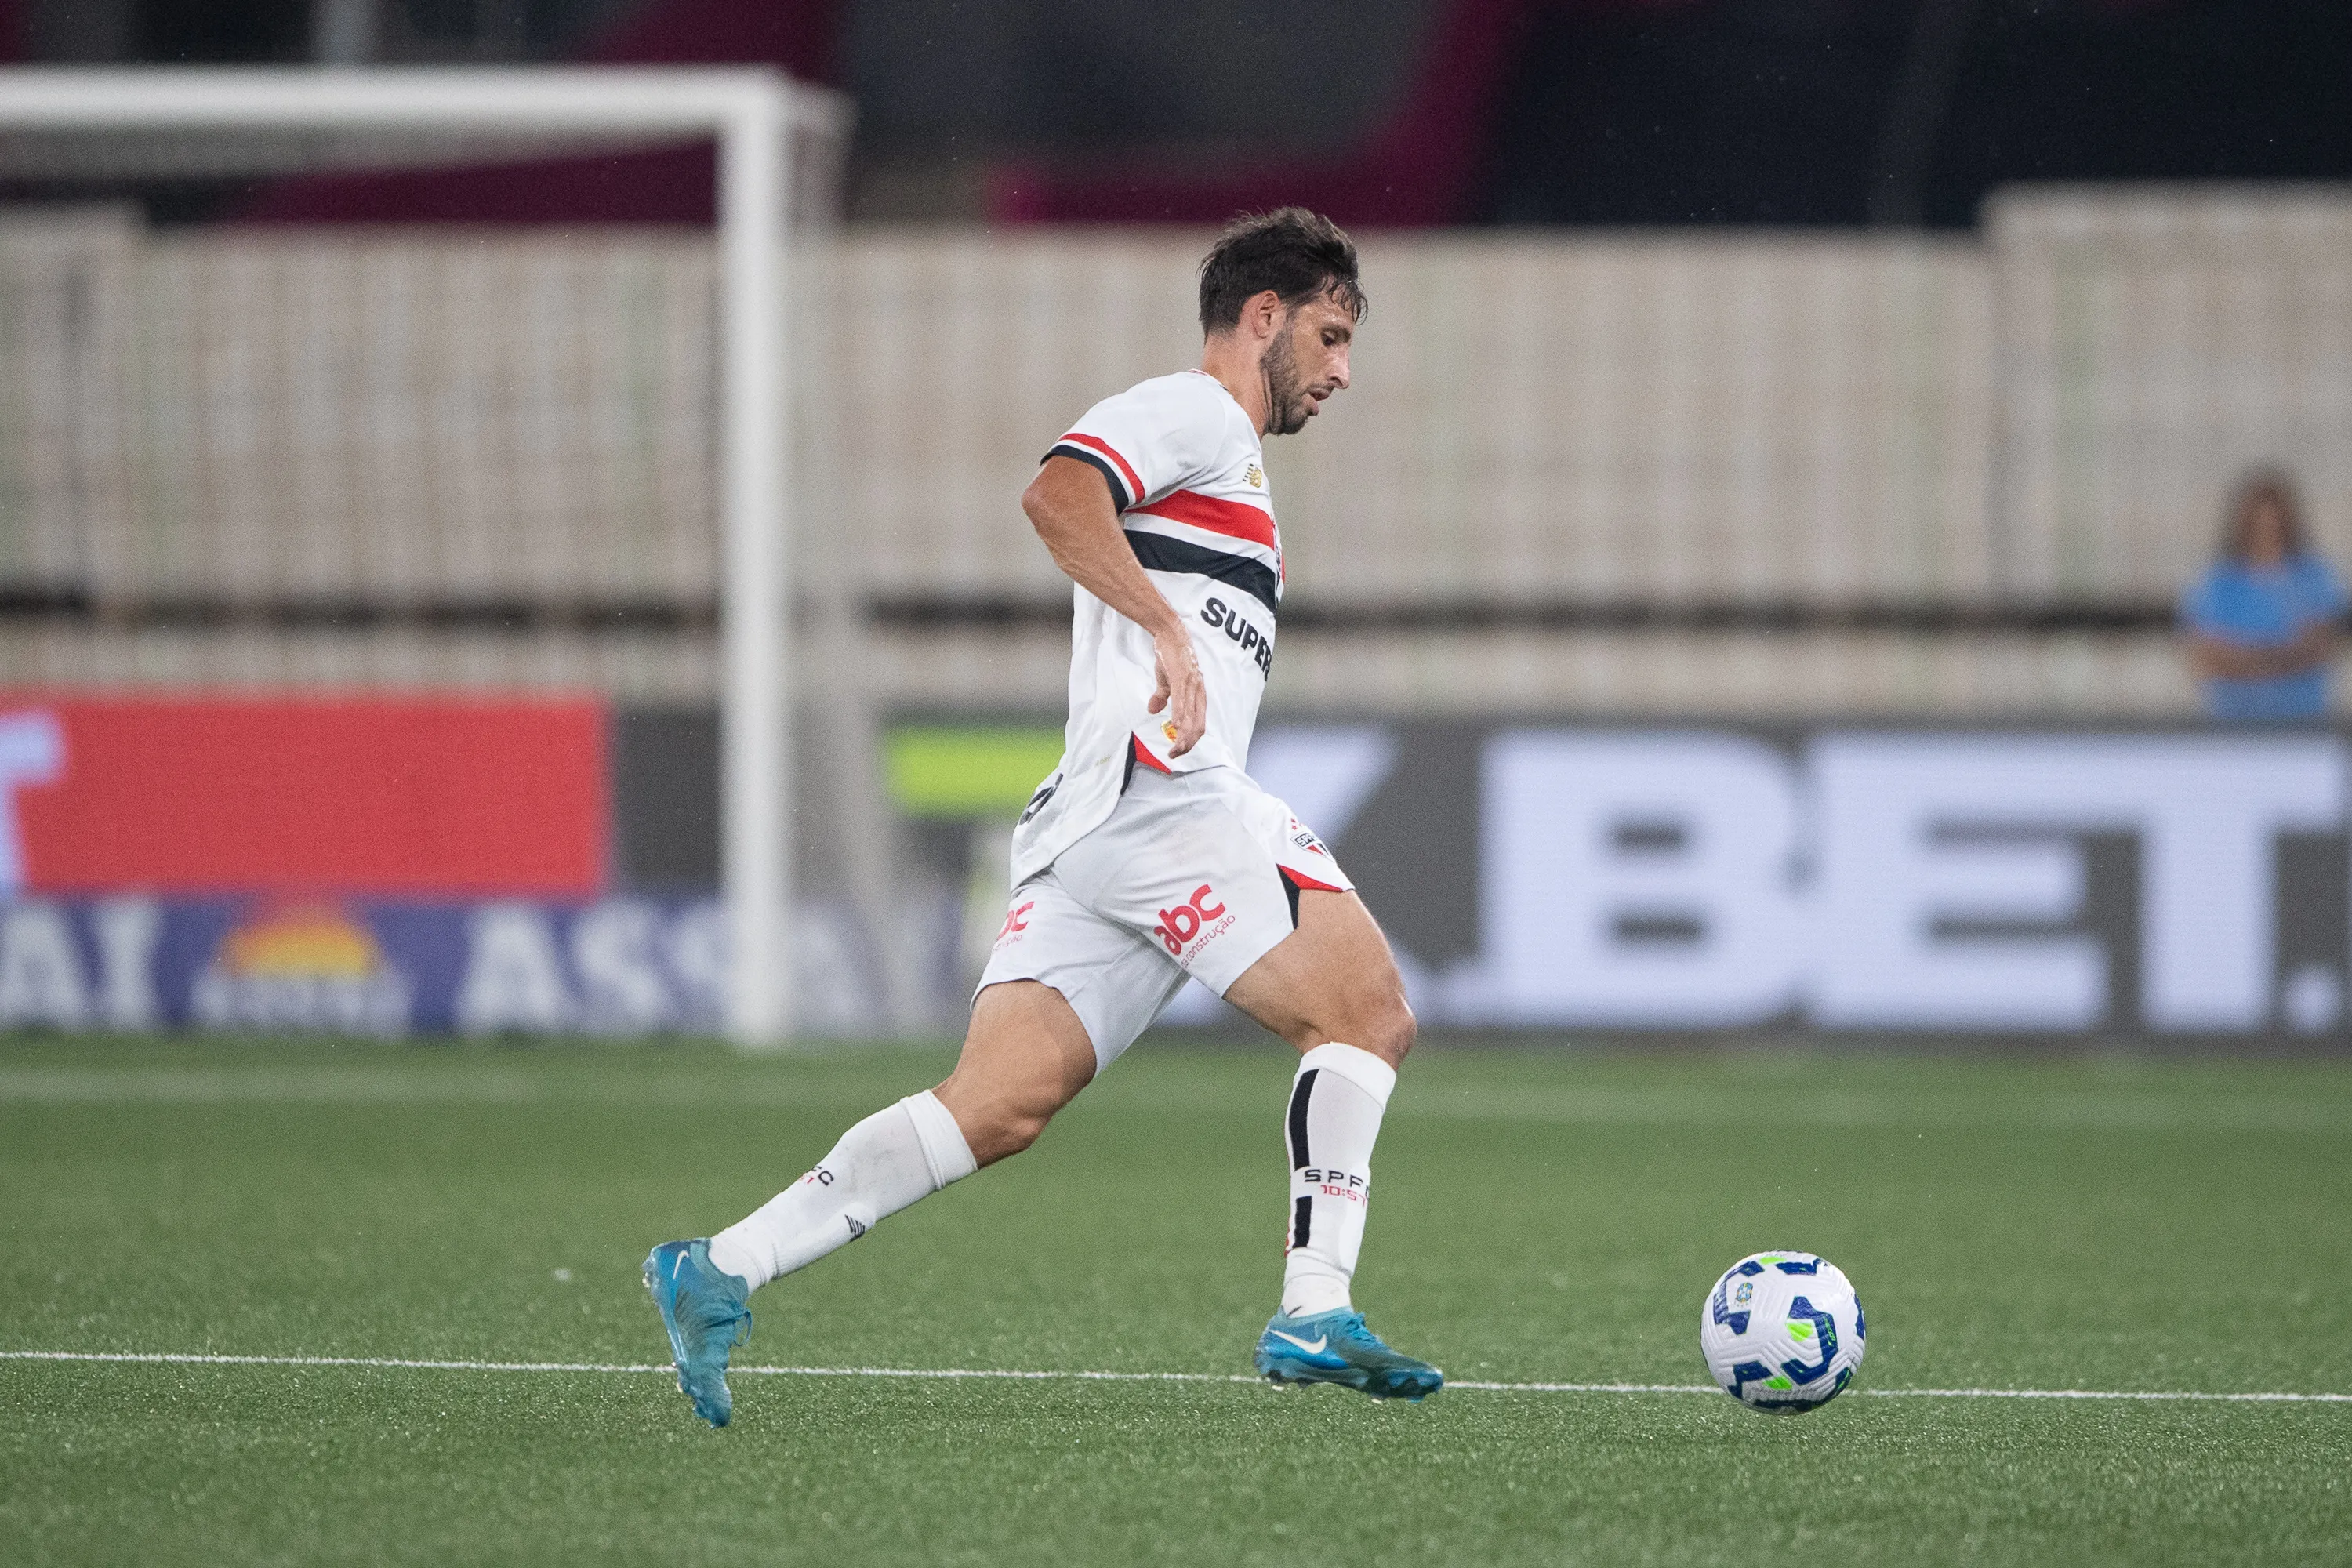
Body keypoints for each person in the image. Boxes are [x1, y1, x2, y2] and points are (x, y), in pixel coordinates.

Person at [644, 209, 1439, 1426]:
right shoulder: (1199, 412)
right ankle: (1314, 1306)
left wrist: (1168, 628)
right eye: (1330, 336)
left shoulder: (1231, 463)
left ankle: (721, 1267)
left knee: (996, 1105)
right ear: (1263, 317)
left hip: (1092, 826)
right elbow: (1059, 495)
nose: (1341, 371)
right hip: (1164, 793)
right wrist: (1168, 632)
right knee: (1367, 1016)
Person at [2181, 470, 2346, 722]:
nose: (2265, 530)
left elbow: (2322, 646)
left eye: (2272, 522)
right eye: (2258, 521)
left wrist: (2247, 660)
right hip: (2232, 726)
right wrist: (2283, 658)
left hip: (2305, 725)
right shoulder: (2217, 583)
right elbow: (2207, 656)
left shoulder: (2314, 577)